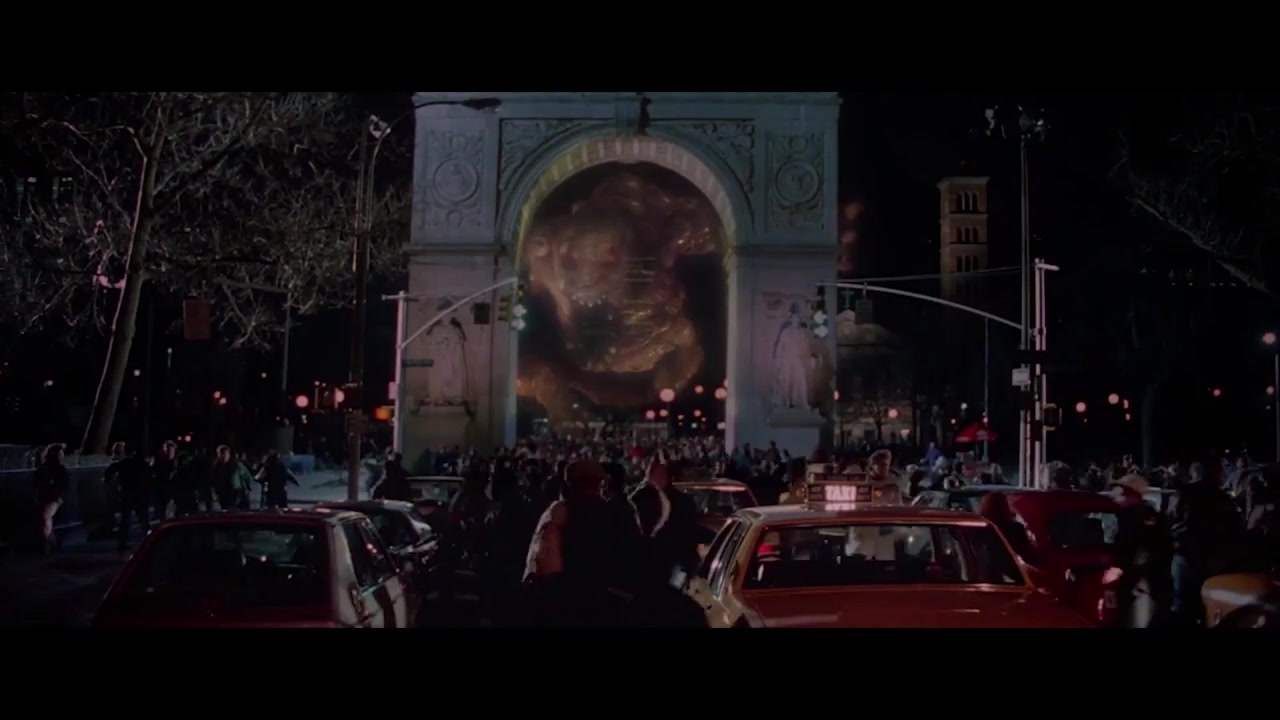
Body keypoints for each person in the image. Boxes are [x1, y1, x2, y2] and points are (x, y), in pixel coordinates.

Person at [1169, 455, 1245, 624]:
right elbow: (1236, 530)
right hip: (1212, 560)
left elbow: (1171, 524)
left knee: (1182, 608)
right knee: (1211, 608)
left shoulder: (1181, 495)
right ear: (1214, 473)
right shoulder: (1222, 498)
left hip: (1184, 556)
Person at [1110, 474, 1172, 628]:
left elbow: (1145, 550)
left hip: (1143, 583)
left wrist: (1127, 570)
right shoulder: (1123, 515)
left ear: (1134, 494)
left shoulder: (1143, 518)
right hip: (1131, 580)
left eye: (1124, 491)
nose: (1120, 494)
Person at [106, 444, 149, 554]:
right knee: (141, 518)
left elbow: (110, 472)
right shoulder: (139, 463)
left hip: (129, 493)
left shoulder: (123, 464)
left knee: (126, 520)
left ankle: (123, 544)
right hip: (137, 493)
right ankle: (148, 539)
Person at [977, 493, 1037, 567]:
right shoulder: (1016, 529)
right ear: (1005, 506)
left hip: (988, 570)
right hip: (1012, 570)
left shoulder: (979, 528)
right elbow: (1027, 555)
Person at [33, 443, 69, 554]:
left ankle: (47, 544)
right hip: (45, 497)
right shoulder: (44, 469)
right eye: (59, 454)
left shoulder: (61, 470)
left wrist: (58, 496)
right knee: (46, 518)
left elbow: (63, 486)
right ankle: (51, 543)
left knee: (46, 515)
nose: (61, 456)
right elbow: (37, 483)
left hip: (54, 498)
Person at [212, 445, 253, 510]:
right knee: (225, 509)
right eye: (221, 454)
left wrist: (247, 487)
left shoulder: (236, 465)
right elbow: (214, 479)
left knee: (233, 508)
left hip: (235, 491)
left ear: (229, 454)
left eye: (225, 453)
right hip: (222, 491)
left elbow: (246, 476)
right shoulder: (216, 467)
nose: (223, 456)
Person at [151, 441, 178, 521]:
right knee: (162, 505)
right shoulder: (159, 459)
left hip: (168, 487)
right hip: (162, 486)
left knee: (167, 505)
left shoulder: (173, 461)